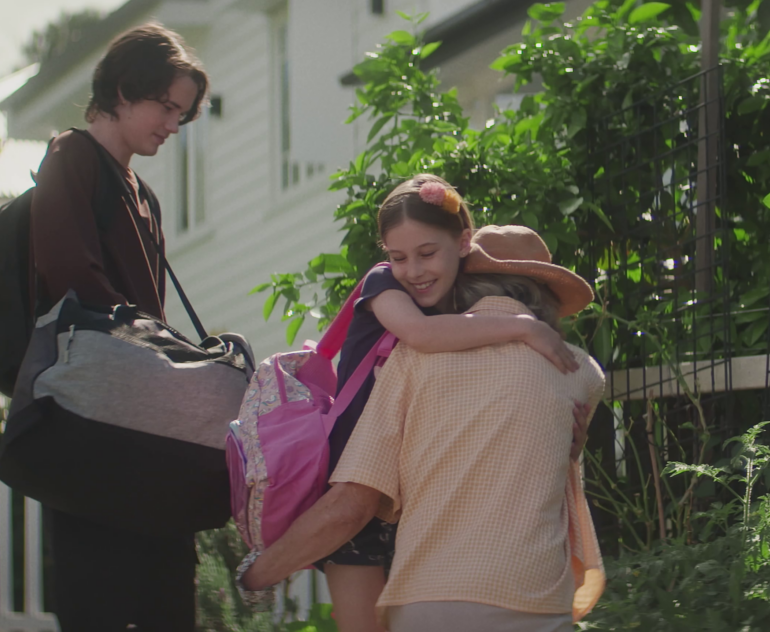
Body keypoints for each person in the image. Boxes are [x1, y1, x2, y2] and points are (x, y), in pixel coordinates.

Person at [238, 225, 605, 632]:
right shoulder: (583, 373)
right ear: (547, 296)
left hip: (430, 601)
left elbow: (353, 505)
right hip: (537, 604)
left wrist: (255, 575)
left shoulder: (413, 360)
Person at [29, 23, 208, 631]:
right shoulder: (70, 157)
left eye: (182, 114)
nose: (173, 125)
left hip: (139, 427)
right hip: (93, 432)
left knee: (167, 603)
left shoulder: (145, 196)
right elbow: (69, 276)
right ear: (126, 90)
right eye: (166, 107)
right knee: (98, 604)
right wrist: (157, 354)